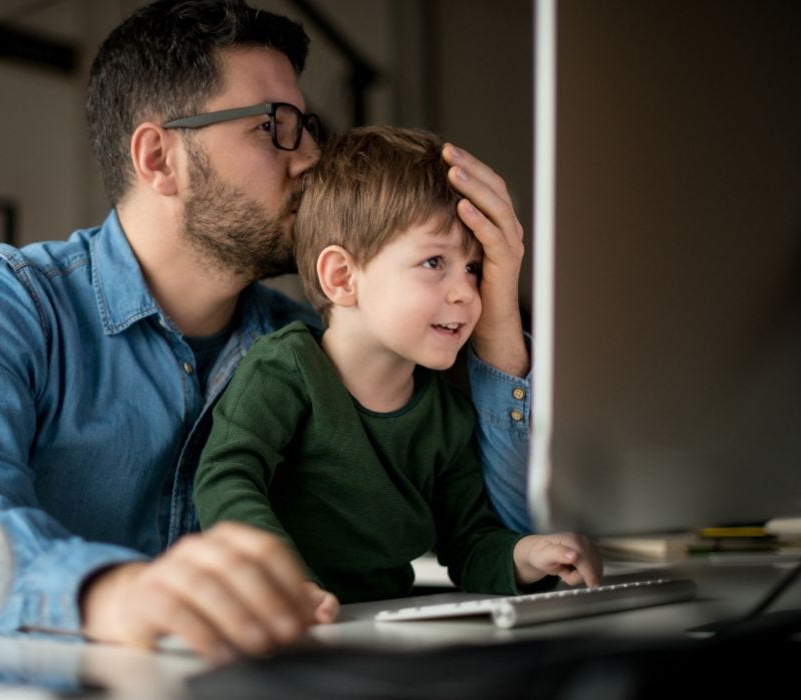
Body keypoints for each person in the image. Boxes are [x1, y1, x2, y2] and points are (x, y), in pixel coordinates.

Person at [0, 0, 533, 662]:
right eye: (274, 128)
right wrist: (116, 594)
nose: (309, 160)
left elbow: (503, 538)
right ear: (160, 157)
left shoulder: (316, 348)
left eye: (308, 128)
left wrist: (498, 318)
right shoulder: (1, 310)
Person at [193, 126, 598, 605]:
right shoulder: (283, 370)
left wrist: (528, 556)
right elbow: (225, 476)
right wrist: (282, 581)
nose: (465, 293)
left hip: (385, 633)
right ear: (342, 278)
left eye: (472, 268)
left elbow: (469, 544)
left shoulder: (447, 415)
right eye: (433, 262)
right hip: (282, 627)